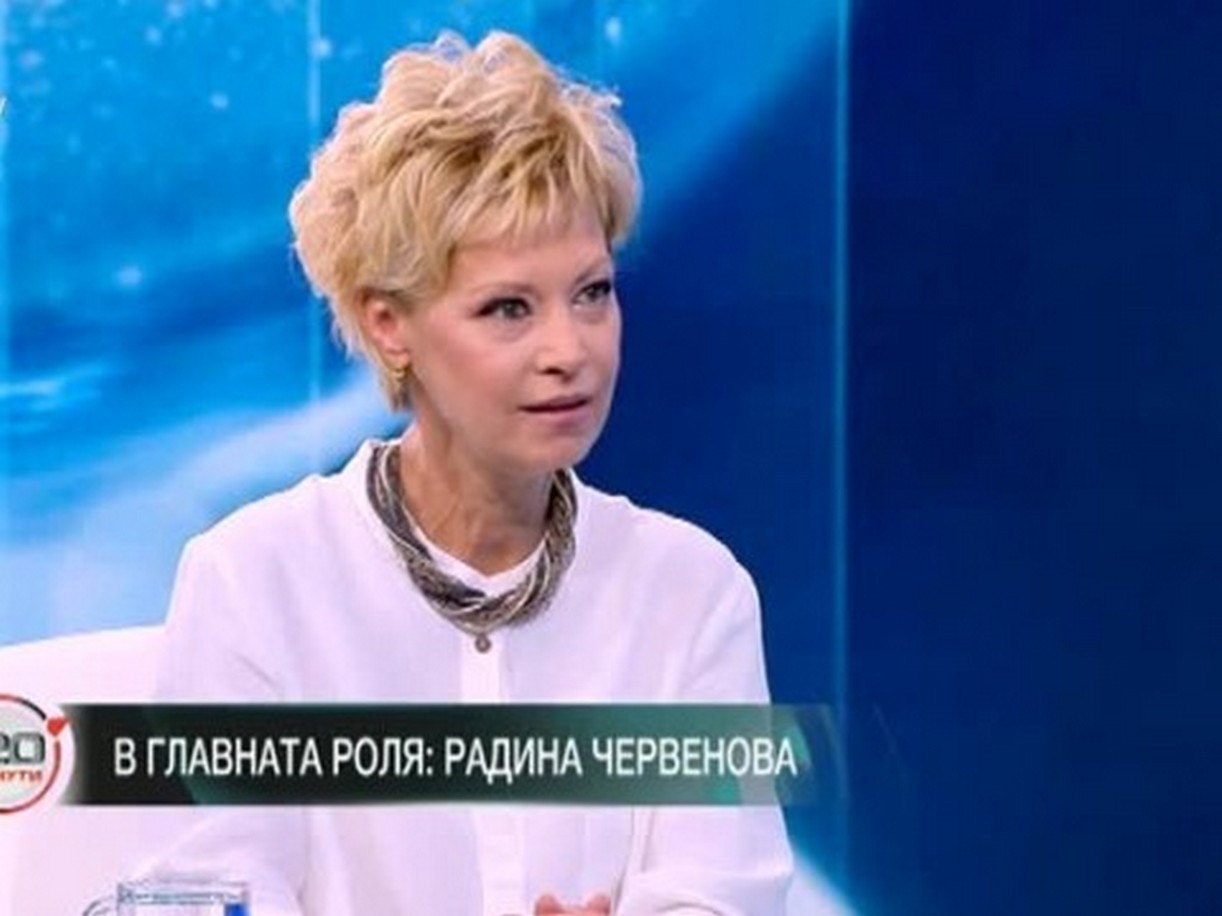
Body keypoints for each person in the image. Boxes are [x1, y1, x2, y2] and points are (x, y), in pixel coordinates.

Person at [150, 30, 793, 916]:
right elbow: (210, 890)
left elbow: (723, 892)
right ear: (389, 325)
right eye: (508, 309)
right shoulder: (254, 580)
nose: (570, 351)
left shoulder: (692, 591)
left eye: (593, 293)